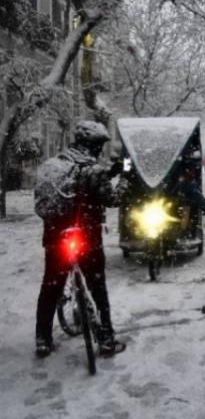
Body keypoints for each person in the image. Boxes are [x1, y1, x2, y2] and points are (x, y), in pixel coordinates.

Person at [33, 121, 126, 358]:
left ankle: (42, 338)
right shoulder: (93, 171)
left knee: (51, 286)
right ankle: (106, 339)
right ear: (93, 145)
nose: (100, 151)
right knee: (98, 287)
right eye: (99, 146)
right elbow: (112, 199)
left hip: (56, 237)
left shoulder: (52, 167)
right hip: (87, 239)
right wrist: (126, 178)